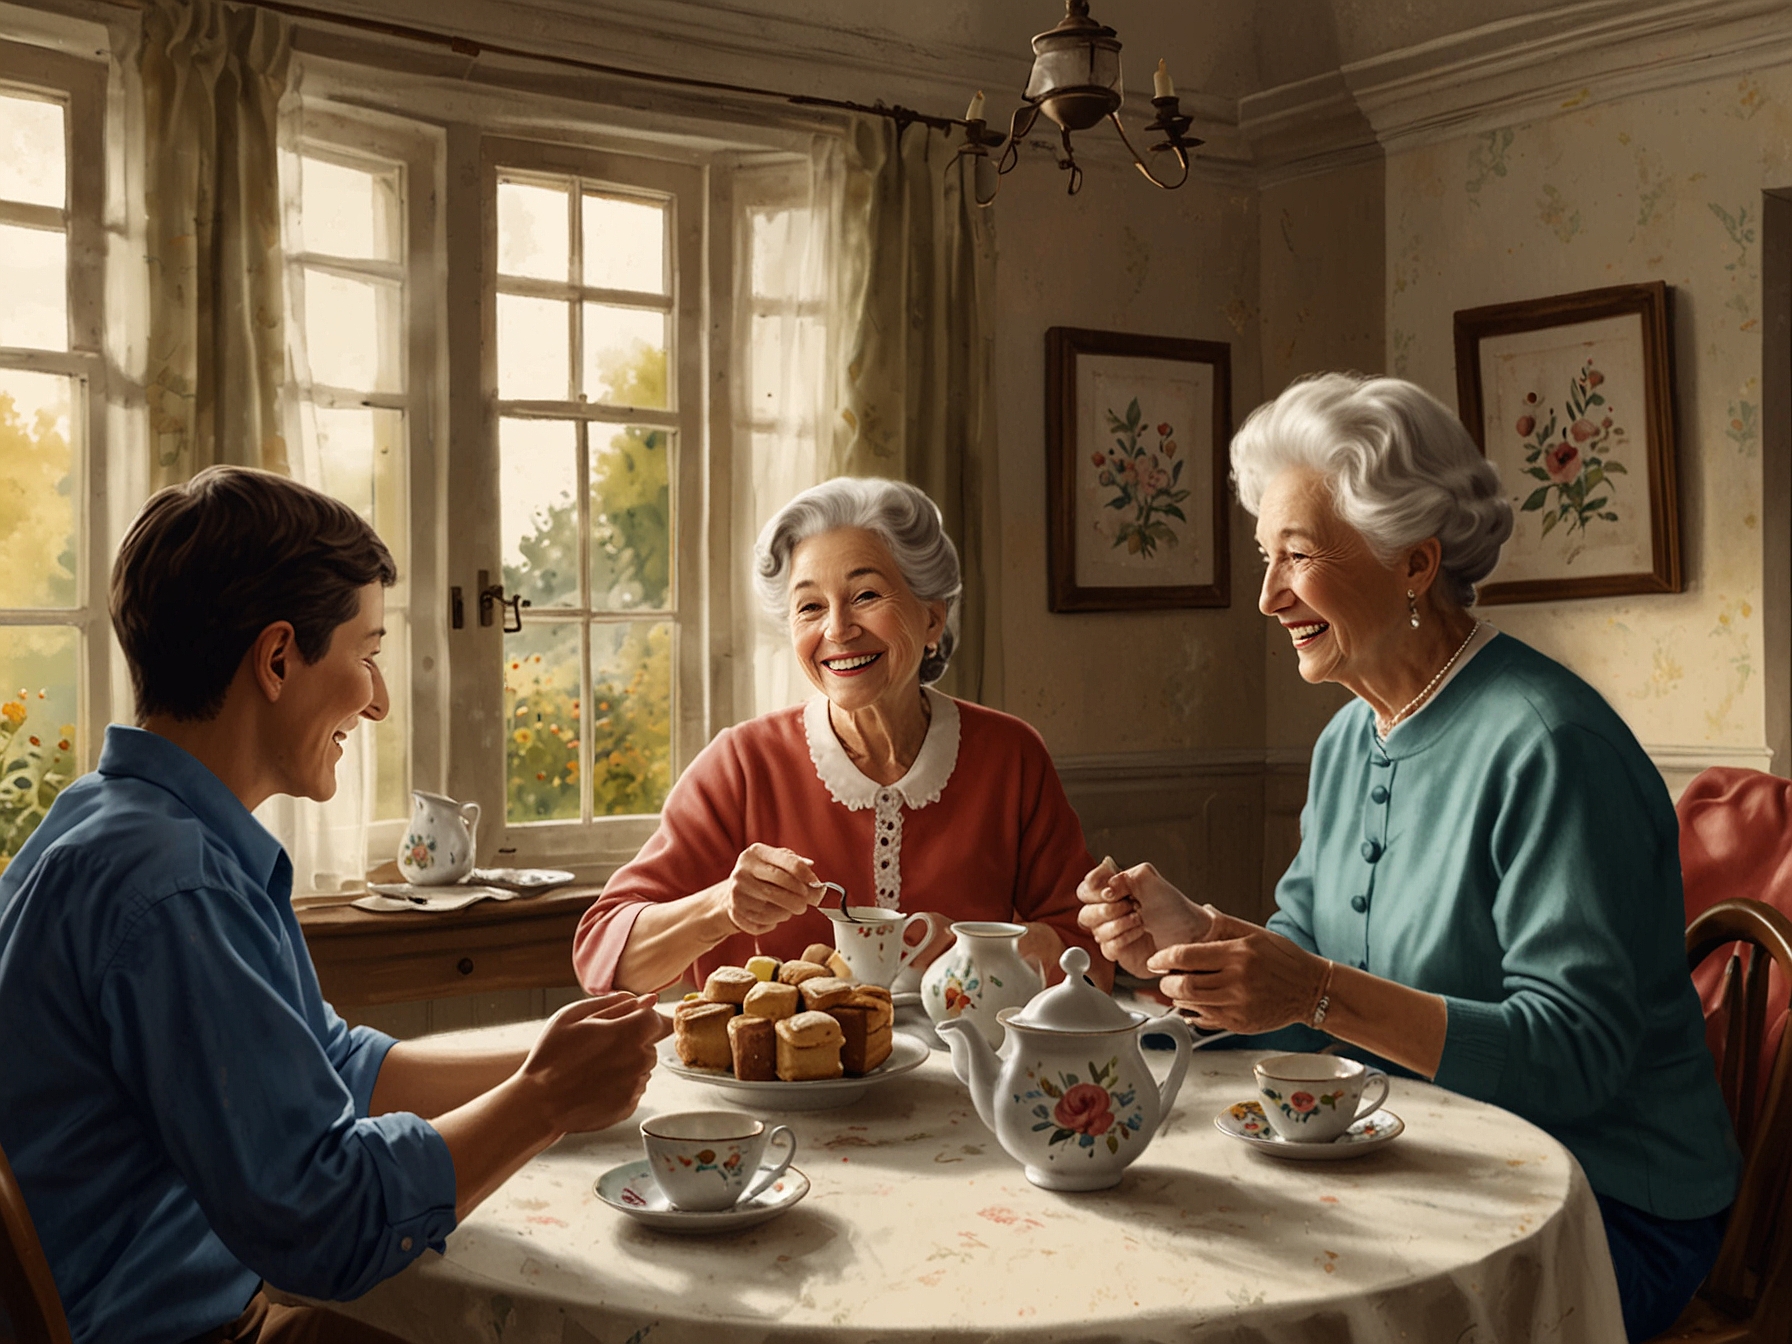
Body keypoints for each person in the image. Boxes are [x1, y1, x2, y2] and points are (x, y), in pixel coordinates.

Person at [1076, 374, 1739, 1342]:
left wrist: (1307, 992)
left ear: (1414, 563)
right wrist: (1195, 945)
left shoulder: (1551, 743)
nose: (1266, 597)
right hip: (1426, 1159)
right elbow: (1311, 970)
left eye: (1295, 556)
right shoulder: (1353, 736)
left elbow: (1576, 1056)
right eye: (1266, 557)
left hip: (1597, 1209)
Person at [0, 467, 669, 1344]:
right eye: (368, 652)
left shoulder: (120, 822)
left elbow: (332, 1064)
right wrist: (543, 1101)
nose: (380, 699)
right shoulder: (174, 886)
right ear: (278, 658)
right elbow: (328, 1225)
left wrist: (548, 1058)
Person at [575, 476, 1110, 994]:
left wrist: (985, 949)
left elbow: (1090, 954)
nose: (836, 629)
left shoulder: (1010, 756)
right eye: (810, 606)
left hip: (965, 1077)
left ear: (931, 619)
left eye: (866, 595)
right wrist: (721, 907)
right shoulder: (741, 764)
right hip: (778, 1080)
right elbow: (604, 953)